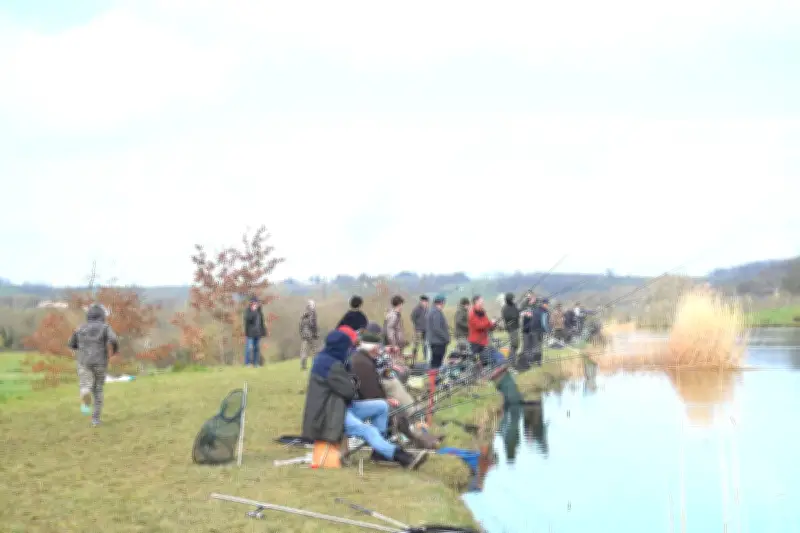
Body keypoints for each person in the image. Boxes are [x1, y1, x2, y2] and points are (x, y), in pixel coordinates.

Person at [301, 328, 427, 469]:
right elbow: (349, 391)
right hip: (329, 413)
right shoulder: (331, 365)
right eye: (348, 347)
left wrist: (351, 381)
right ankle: (400, 456)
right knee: (368, 430)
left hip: (340, 405)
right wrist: (352, 382)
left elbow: (349, 387)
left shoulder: (328, 359)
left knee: (381, 406)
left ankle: (379, 451)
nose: (350, 350)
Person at [350, 328, 440, 450]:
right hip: (365, 404)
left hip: (373, 400)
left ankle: (422, 438)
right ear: (372, 348)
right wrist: (386, 400)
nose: (379, 351)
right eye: (377, 348)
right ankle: (418, 440)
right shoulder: (362, 363)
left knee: (399, 409)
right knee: (397, 411)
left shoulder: (365, 358)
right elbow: (369, 392)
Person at [67, 304, 119, 426]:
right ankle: (95, 420)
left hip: (84, 361)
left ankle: (85, 392)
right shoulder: (105, 327)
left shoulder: (80, 328)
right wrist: (115, 351)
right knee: (98, 389)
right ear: (102, 316)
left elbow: (71, 344)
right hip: (100, 361)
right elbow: (114, 340)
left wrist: (80, 347)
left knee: (85, 384)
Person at [467, 295, 500, 367]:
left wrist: (493, 324)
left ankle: (485, 372)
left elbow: (487, 323)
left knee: (485, 359)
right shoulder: (472, 312)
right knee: (474, 360)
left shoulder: (482, 311)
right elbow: (478, 326)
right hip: (475, 341)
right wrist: (490, 323)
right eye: (481, 301)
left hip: (483, 340)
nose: (483, 303)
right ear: (476, 302)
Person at [425, 294, 450, 369]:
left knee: (435, 363)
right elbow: (437, 328)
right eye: (443, 303)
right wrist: (446, 338)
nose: (444, 305)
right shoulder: (436, 312)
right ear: (441, 302)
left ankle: (434, 378)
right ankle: (434, 379)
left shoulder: (432, 311)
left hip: (435, 341)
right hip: (438, 343)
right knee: (436, 364)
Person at [244, 296, 267, 367]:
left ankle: (256, 363)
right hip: (250, 334)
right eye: (254, 303)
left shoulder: (259, 311)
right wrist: (253, 311)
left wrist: (264, 332)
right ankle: (247, 363)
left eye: (256, 303)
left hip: (258, 333)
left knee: (256, 349)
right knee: (249, 349)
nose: (255, 304)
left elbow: (262, 323)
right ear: (251, 303)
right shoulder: (248, 311)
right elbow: (248, 319)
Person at [501, 292, 521, 365]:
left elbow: (518, 313)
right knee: (514, 344)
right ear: (509, 299)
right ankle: (511, 361)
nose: (513, 300)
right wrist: (516, 314)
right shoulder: (505, 308)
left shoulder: (514, 306)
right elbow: (510, 316)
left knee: (516, 344)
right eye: (512, 298)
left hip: (516, 327)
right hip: (511, 328)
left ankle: (511, 359)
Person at [409, 295, 430, 364]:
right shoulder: (417, 309)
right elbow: (412, 317)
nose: (426, 303)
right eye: (425, 302)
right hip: (418, 330)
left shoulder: (427, 309)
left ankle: (426, 356)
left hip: (426, 329)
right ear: (421, 301)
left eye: (427, 302)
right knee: (416, 344)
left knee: (425, 344)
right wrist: (417, 324)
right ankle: (414, 356)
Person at [299, 300, 319, 370]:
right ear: (312, 305)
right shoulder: (313, 313)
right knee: (314, 350)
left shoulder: (304, 314)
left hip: (304, 335)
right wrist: (315, 334)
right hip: (311, 334)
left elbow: (300, 325)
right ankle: (316, 365)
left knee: (304, 350)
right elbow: (313, 324)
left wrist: (301, 334)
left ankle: (303, 366)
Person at [530, 298, 551, 365]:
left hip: (533, 330)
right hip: (539, 331)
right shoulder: (545, 312)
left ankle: (532, 360)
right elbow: (544, 323)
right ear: (543, 304)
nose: (547, 305)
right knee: (538, 346)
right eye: (547, 304)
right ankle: (538, 361)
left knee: (534, 346)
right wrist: (548, 331)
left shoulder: (535, 310)